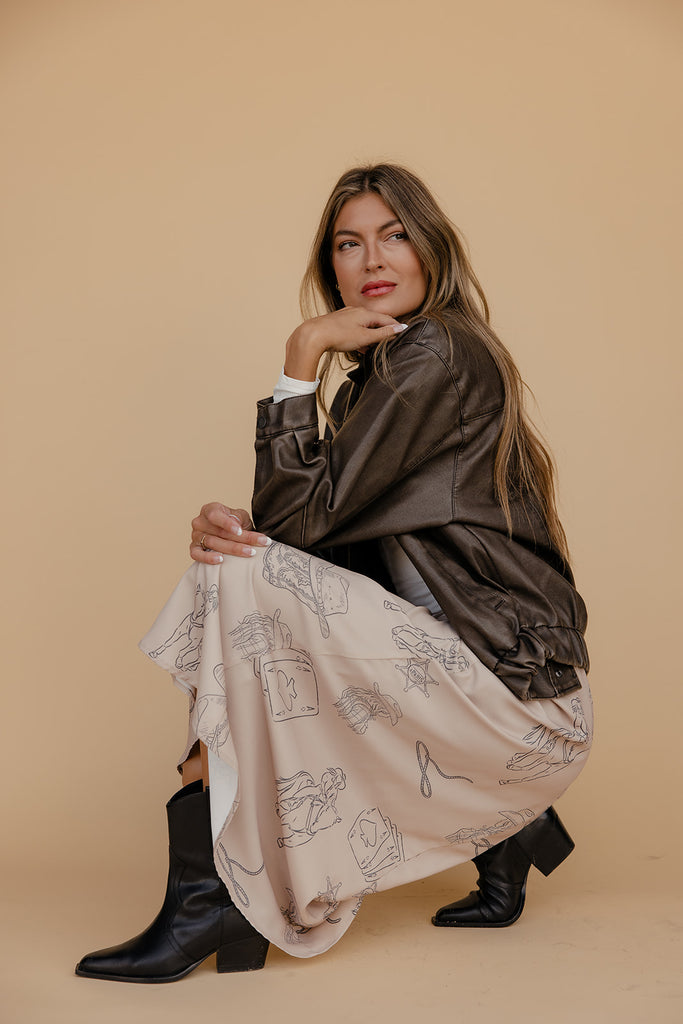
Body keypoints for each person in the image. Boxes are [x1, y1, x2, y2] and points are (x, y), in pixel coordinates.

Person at [76, 163, 592, 983]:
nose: (371, 259)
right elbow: (305, 544)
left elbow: (297, 525)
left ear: (432, 249)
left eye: (393, 234)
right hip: (460, 691)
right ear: (333, 266)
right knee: (241, 565)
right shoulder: (379, 382)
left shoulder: (437, 353)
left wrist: (300, 354)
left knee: (240, 576)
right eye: (348, 244)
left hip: (517, 704)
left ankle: (209, 894)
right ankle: (506, 830)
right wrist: (235, 530)